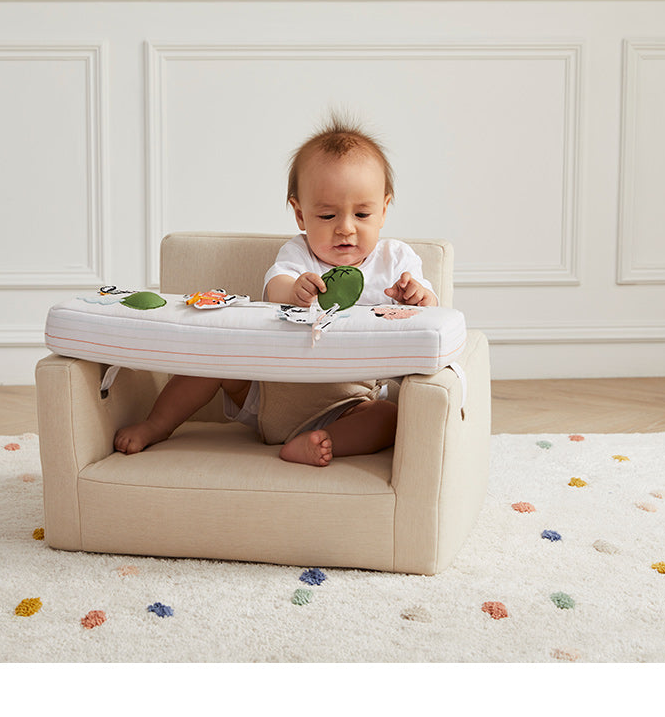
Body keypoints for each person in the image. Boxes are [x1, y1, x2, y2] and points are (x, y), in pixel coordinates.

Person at [113, 115, 438, 466]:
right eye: (327, 216)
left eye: (361, 214)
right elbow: (275, 288)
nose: (346, 228)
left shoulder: (396, 259)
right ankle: (157, 424)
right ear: (300, 215)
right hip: (268, 387)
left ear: (383, 210)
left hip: (345, 400)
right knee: (211, 356)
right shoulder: (299, 253)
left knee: (387, 416)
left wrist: (418, 297)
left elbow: (431, 309)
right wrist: (296, 290)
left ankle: (321, 441)